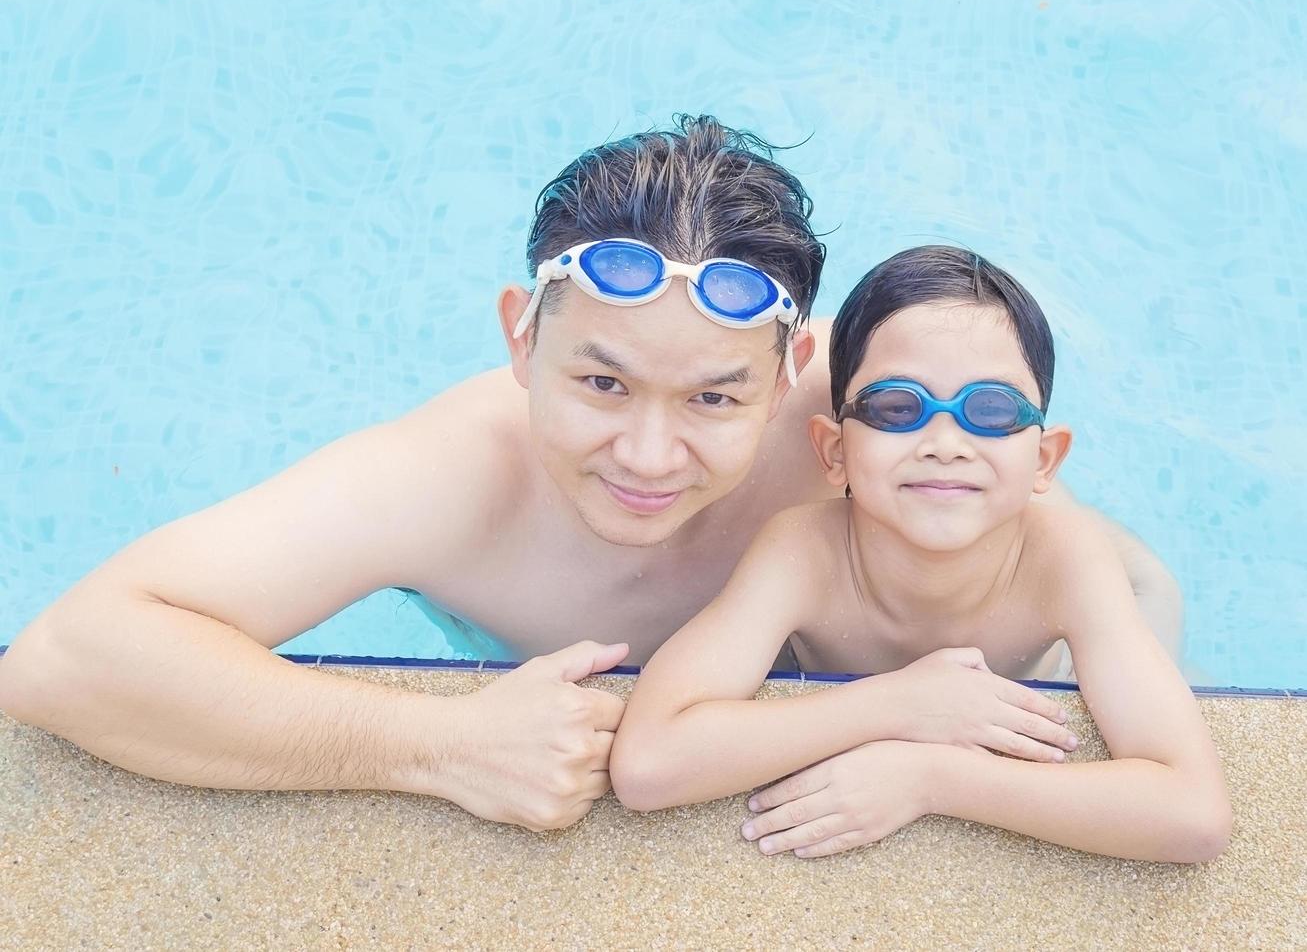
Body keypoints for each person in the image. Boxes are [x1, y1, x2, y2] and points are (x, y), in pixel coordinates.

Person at [0, 118, 1182, 833]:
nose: (650, 458)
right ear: (522, 337)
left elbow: (1097, 577)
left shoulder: (873, 429)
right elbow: (67, 657)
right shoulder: (450, 476)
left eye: (715, 397)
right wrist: (428, 744)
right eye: (602, 384)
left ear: (791, 379)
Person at [610, 246, 1230, 862]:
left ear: (1043, 460)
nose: (944, 442)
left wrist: (931, 778)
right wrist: (898, 703)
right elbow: (648, 763)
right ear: (834, 452)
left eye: (990, 410)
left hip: (1115, 611)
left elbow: (1192, 815)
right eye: (896, 407)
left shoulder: (1066, 560)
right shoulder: (804, 550)